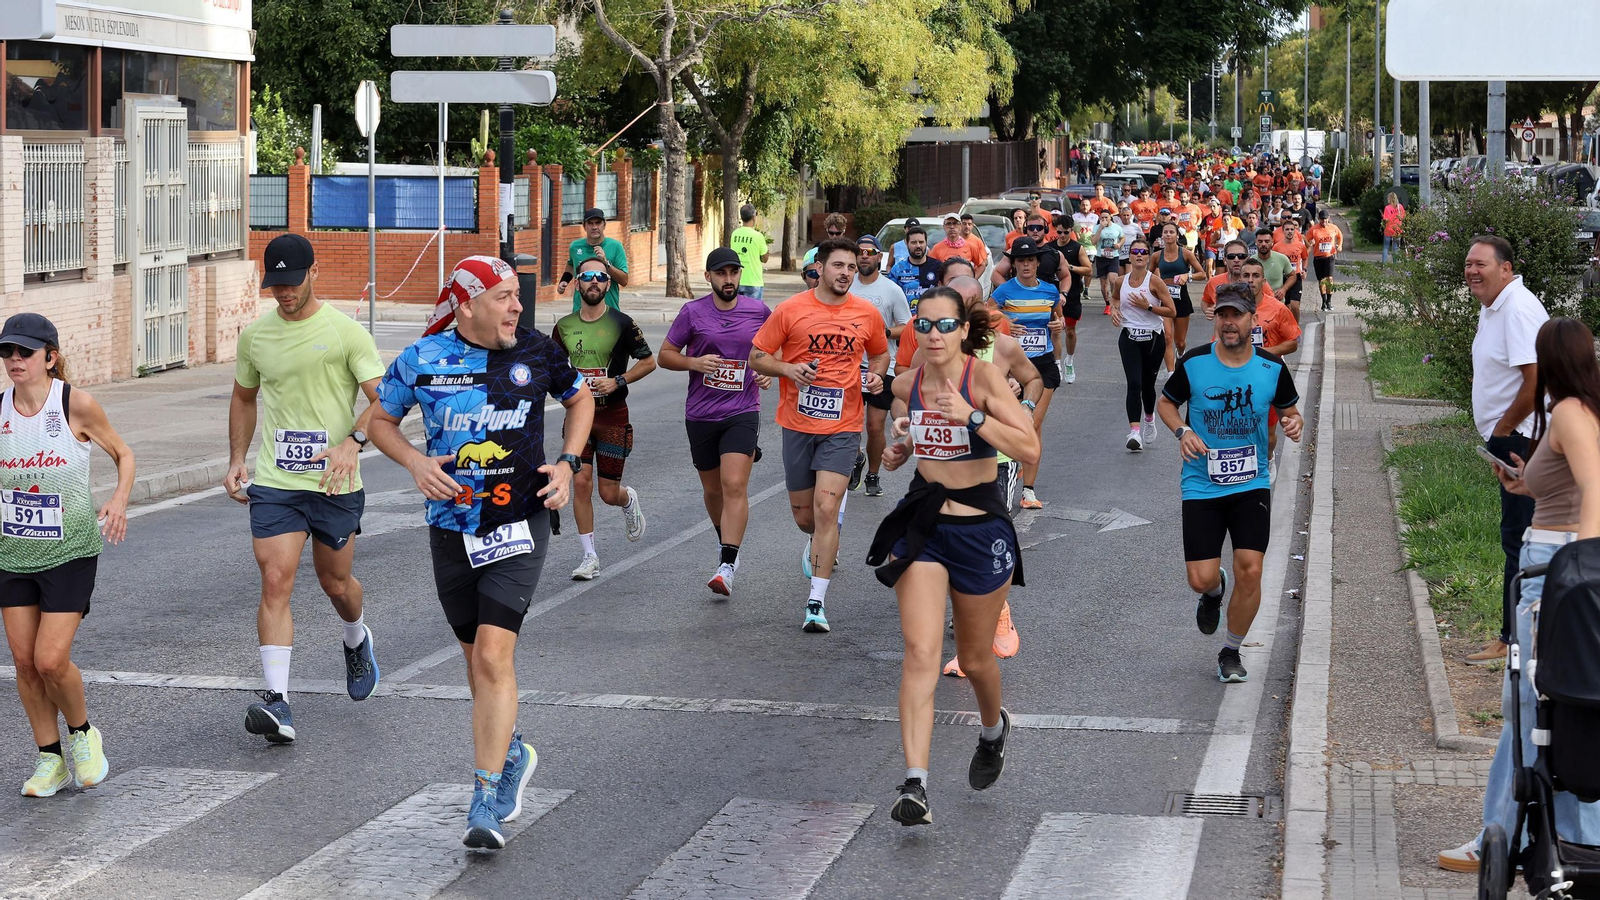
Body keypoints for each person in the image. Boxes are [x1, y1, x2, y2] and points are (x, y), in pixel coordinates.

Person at [371, 254, 592, 849]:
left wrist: (568, 463)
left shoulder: (539, 352)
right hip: (451, 526)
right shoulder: (423, 358)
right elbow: (379, 421)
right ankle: (514, 748)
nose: (517, 306)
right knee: (476, 664)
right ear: (467, 303)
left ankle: (484, 797)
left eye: (518, 295)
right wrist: (415, 461)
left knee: (494, 657)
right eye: (504, 297)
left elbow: (581, 399)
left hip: (520, 520)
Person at [866, 287, 1039, 827]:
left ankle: (993, 730)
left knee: (977, 657)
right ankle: (915, 783)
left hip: (980, 527)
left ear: (965, 330)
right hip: (926, 526)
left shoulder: (981, 380)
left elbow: (1028, 448)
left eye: (945, 325)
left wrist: (970, 417)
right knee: (919, 654)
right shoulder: (909, 382)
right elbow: (909, 442)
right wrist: (900, 449)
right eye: (924, 325)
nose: (934, 335)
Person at [1439, 316, 1600, 873]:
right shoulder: (1582, 411)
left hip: (1554, 567)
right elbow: (1565, 483)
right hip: (1558, 558)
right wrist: (1524, 479)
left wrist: (1584, 565)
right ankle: (1550, 834)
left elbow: (1594, 483)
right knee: (1555, 704)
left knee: (1534, 705)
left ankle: (1506, 838)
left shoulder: (1571, 413)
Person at [226, 233, 385, 744]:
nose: (284, 293)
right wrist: (236, 459)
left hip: (335, 481)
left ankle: (356, 637)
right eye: (275, 285)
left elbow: (385, 401)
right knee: (275, 578)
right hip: (276, 480)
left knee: (336, 584)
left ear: (313, 273)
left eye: (292, 282)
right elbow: (244, 398)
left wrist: (353, 442)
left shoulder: (344, 333)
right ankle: (278, 702)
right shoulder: (255, 337)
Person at [1, 314, 132, 798]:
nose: (14, 360)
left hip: (70, 551)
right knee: (24, 663)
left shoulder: (74, 403)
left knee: (51, 659)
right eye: (7, 352)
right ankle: (49, 759)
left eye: (25, 352)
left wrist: (118, 500)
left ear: (50, 357)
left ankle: (83, 733)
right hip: (12, 553)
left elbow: (124, 453)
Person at [896, 276, 1041, 678]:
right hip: (943, 470)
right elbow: (908, 398)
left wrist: (1023, 406)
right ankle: (970, 634)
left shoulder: (1003, 346)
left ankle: (993, 616)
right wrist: (905, 436)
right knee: (942, 550)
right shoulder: (925, 353)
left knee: (988, 540)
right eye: (932, 320)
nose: (939, 328)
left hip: (995, 460)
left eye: (951, 317)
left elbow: (1035, 378)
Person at [1158, 284, 1303, 683]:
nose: (1229, 322)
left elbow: (1292, 412)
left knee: (1251, 569)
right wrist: (1182, 431)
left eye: (1237, 315)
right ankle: (1213, 590)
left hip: (1250, 482)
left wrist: (1293, 422)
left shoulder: (1271, 368)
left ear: (1252, 320)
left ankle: (1231, 650)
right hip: (1202, 483)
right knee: (1199, 578)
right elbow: (1166, 403)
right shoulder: (1195, 363)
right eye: (1222, 314)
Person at [750, 238, 890, 633]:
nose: (846, 272)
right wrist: (789, 370)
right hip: (797, 424)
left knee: (828, 511)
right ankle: (819, 541)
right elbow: (757, 356)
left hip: (843, 427)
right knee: (806, 518)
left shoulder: (866, 314)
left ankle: (816, 601)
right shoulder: (791, 310)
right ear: (820, 268)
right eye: (839, 266)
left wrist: (877, 374)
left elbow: (880, 353)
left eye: (851, 267)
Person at [660, 248, 773, 597]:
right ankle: (726, 541)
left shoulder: (758, 311)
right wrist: (694, 363)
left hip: (742, 410)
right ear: (708, 277)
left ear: (741, 275)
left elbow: (776, 349)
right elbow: (665, 356)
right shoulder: (692, 312)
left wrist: (768, 371)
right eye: (721, 274)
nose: (729, 280)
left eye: (734, 273)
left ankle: (727, 564)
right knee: (712, 490)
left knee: (734, 483)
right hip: (701, 413)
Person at [1465, 234, 1550, 665]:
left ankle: (1514, 640)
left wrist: (1503, 427)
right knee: (1516, 536)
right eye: (1468, 265)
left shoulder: (1516, 309)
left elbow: (1534, 381)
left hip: (1521, 441)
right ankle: (1518, 634)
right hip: (1511, 437)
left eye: (1481, 264)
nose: (1472, 271)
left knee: (1520, 538)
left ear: (1506, 268)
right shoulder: (1494, 306)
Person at [553, 258, 656, 580]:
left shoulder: (622, 323)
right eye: (586, 277)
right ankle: (589, 556)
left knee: (607, 493)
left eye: (600, 276)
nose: (594, 282)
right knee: (580, 483)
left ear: (608, 283)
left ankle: (628, 499)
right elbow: (553, 368)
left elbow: (649, 361)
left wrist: (618, 381)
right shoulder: (564, 326)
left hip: (613, 416)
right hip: (578, 419)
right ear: (578, 284)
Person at [992, 237, 1063, 510]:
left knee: (1032, 423)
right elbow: (983, 318)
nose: (1025, 265)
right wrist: (1003, 323)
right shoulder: (1003, 292)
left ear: (1037, 263)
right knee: (1013, 424)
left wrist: (1057, 332)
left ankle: (1029, 491)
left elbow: (1056, 321)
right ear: (1015, 264)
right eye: (1020, 260)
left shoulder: (1050, 291)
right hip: (1012, 367)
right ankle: (1013, 463)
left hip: (1042, 365)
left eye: (1030, 260)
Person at [851, 235, 913, 498]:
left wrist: (883, 333)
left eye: (870, 251)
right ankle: (856, 457)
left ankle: (873, 474)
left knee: (875, 426)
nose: (865, 255)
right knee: (849, 424)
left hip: (882, 365)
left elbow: (907, 326)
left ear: (879, 257)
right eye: (860, 251)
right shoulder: (845, 285)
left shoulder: (891, 290)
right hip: (849, 366)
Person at [1110, 238, 1175, 451]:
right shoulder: (1120, 281)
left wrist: (1148, 307)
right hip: (1129, 337)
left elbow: (1171, 311)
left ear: (1148, 257)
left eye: (1143, 252)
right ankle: (1134, 432)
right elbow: (1115, 298)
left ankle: (1149, 417)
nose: (1139, 255)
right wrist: (1115, 309)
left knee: (1147, 385)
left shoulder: (1155, 282)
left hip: (1153, 339)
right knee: (1134, 383)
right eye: (1135, 251)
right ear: (1129, 256)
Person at [1153, 221, 1205, 375]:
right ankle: (1171, 374)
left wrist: (1187, 275)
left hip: (1181, 299)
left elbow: (1202, 274)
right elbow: (1147, 276)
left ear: (1177, 235)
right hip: (1164, 300)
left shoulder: (1185, 253)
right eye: (1165, 232)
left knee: (1179, 341)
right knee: (1167, 337)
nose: (1168, 235)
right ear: (1162, 235)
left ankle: (1180, 355)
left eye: (1171, 232)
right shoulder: (1156, 256)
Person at [557, 208, 630, 312]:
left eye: (598, 223)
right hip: (580, 311)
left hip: (608, 312)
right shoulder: (575, 247)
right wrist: (564, 281)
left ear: (604, 225)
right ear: (584, 226)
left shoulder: (615, 246)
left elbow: (624, 280)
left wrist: (606, 263)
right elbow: (571, 264)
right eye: (590, 223)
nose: (594, 227)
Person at [1054, 218, 1092, 384]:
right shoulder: (1050, 248)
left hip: (1073, 293)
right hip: (1054, 294)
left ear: (1071, 231)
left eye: (1066, 232)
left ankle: (1069, 361)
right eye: (1059, 232)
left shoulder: (1077, 248)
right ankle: (1057, 365)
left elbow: (1089, 270)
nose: (1062, 235)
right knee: (1055, 330)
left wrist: (1070, 267)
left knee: (1069, 330)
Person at [887, 226, 941, 313]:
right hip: (906, 320)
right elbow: (890, 297)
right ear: (907, 244)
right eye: (913, 242)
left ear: (926, 244)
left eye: (921, 242)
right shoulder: (897, 269)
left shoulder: (938, 267)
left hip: (932, 318)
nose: (918, 246)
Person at [728, 204, 770, 302]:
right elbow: (765, 259)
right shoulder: (758, 236)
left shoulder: (735, 234)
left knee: (737, 311)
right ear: (754, 217)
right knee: (752, 313)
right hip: (753, 281)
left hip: (737, 279)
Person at [1306, 209, 1344, 312]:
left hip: (1330, 257)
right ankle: (1323, 301)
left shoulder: (1333, 228)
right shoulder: (1314, 230)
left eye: (1326, 219)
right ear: (1319, 219)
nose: (1324, 222)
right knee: (1322, 281)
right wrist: (1310, 243)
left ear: (1329, 218)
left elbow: (1340, 236)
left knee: (1330, 279)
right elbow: (1305, 241)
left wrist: (1339, 246)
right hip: (1318, 258)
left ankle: (1329, 301)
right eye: (1322, 220)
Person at [1273, 218, 1310, 322]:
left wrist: (1305, 269)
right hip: (1283, 278)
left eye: (1291, 229)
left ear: (1295, 231)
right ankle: (1288, 326)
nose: (1289, 231)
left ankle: (1296, 327)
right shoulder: (1277, 247)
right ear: (1283, 231)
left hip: (1296, 277)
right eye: (1287, 229)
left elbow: (1305, 258)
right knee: (1286, 306)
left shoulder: (1300, 245)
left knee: (1295, 305)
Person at [1091, 210, 1125, 316]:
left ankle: (1114, 300)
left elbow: (1123, 237)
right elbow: (1093, 242)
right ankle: (1107, 303)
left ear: (1110, 217)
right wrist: (1100, 228)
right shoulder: (1097, 227)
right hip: (1101, 257)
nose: (1104, 220)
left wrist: (1119, 244)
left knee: (1113, 280)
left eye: (1106, 217)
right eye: (1102, 218)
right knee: (1103, 283)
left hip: (1113, 257)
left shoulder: (1117, 227)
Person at [1381, 193, 1406, 264]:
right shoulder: (1400, 207)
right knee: (1396, 248)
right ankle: (1395, 264)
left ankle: (1384, 264)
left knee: (1386, 247)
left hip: (1389, 229)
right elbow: (1403, 217)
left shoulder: (1387, 208)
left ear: (1389, 199)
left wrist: (1383, 216)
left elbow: (1386, 219)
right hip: (1398, 229)